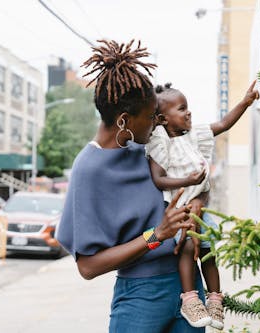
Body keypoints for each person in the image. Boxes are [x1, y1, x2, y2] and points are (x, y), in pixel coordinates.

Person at [56, 39, 208, 333]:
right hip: (141, 296)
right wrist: (157, 235)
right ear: (125, 120)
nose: (157, 124)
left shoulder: (150, 147)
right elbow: (88, 267)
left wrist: (196, 205)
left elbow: (192, 179)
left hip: (189, 289)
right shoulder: (89, 169)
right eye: (151, 117)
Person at [145, 81, 259, 329]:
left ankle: (215, 299)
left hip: (200, 207)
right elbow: (159, 179)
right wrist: (188, 180)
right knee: (187, 248)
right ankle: (190, 299)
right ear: (163, 119)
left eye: (188, 107)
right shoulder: (159, 142)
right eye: (182, 109)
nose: (189, 112)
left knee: (208, 250)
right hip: (179, 209)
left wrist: (245, 102)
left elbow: (223, 124)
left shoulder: (194, 135)